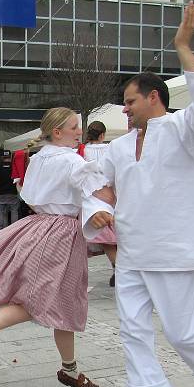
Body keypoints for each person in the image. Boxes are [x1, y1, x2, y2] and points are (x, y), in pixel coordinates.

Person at [85, 3, 194, 387]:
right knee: (132, 328)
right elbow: (99, 186)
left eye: (130, 101)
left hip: (175, 249)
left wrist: (183, 48)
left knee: (182, 330)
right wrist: (93, 207)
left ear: (154, 97)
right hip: (132, 249)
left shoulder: (187, 130)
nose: (125, 109)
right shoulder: (119, 147)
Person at [0, 108, 114, 387]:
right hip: (62, 233)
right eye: (74, 126)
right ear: (57, 132)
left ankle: (67, 368)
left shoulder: (37, 159)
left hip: (36, 226)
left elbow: (31, 196)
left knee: (54, 302)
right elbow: (95, 195)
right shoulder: (73, 161)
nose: (80, 131)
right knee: (52, 300)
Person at [82, 121, 118, 287]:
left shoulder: (82, 151)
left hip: (92, 200)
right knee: (118, 236)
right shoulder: (112, 149)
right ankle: (119, 268)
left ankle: (117, 267)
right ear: (103, 135)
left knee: (106, 238)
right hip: (113, 196)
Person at [0, 165, 20, 230]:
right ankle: (14, 228)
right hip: (12, 193)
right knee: (14, 211)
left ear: (3, 158)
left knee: (0, 211)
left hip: (1, 193)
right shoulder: (14, 168)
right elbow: (18, 180)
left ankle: (0, 229)